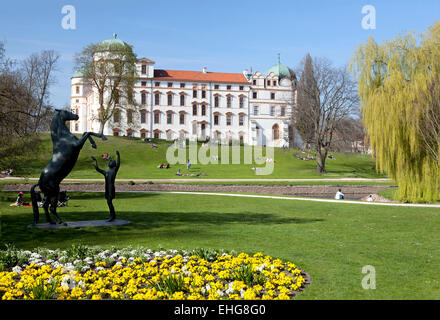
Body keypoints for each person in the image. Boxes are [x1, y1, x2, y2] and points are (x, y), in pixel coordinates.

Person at [91, 150, 120, 222]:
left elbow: (118, 164)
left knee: (109, 202)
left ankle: (112, 216)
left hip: (111, 189)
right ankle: (113, 216)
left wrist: (118, 156)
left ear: (113, 164)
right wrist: (95, 161)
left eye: (111, 162)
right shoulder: (106, 172)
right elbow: (97, 169)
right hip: (107, 189)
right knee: (108, 202)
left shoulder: (114, 171)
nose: (110, 163)